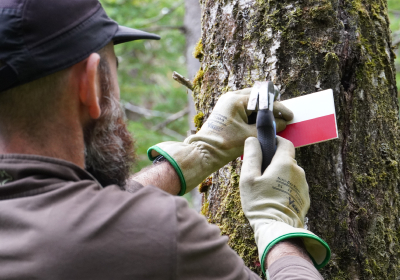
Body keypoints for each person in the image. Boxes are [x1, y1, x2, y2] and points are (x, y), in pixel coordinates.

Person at [0, 0, 330, 279]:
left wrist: (198, 153)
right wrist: (278, 226)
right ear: (89, 84)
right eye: (115, 67)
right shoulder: (160, 231)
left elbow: (70, 213)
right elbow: (105, 226)